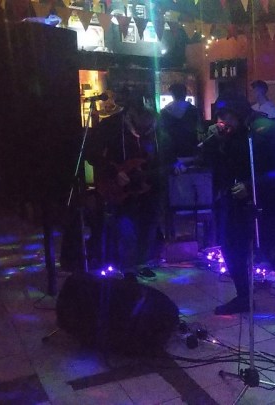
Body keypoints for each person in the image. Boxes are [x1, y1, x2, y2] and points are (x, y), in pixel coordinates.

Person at [200, 97, 275, 344]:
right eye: (219, 117)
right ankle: (243, 296)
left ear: (239, 113)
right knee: (232, 251)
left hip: (272, 207)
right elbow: (219, 167)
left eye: (226, 116)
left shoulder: (269, 130)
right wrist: (215, 144)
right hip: (237, 206)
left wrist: (252, 185)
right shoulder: (229, 136)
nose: (222, 122)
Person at [86, 87, 173, 279]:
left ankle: (141, 263)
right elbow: (90, 153)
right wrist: (114, 171)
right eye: (141, 118)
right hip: (119, 188)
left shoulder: (159, 128)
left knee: (149, 226)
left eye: (149, 118)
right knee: (125, 227)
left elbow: (167, 157)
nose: (146, 124)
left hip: (149, 187)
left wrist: (172, 166)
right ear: (131, 113)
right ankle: (126, 267)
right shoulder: (110, 126)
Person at [160, 82, 204, 166]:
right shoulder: (194, 110)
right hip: (190, 149)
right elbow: (201, 130)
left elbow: (163, 132)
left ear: (172, 94)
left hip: (172, 151)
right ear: (185, 93)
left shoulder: (164, 112)